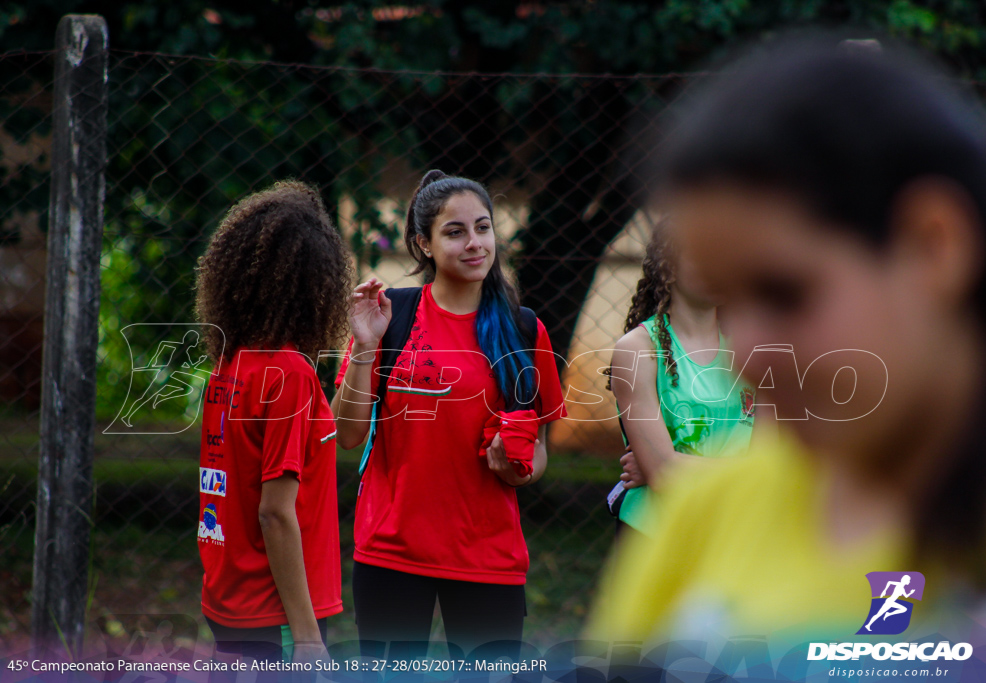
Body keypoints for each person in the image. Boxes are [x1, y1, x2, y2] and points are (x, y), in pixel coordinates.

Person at [588, 36, 986, 645]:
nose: (749, 352)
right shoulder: (706, 520)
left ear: (932, 247)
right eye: (729, 296)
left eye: (785, 294)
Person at [332, 170, 567, 661]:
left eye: (483, 228)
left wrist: (518, 469)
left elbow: (537, 452)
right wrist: (366, 344)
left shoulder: (524, 329)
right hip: (392, 551)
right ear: (424, 244)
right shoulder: (389, 315)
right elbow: (348, 434)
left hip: (488, 556)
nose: (474, 243)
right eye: (455, 232)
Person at [194, 180, 352, 667]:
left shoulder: (231, 365)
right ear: (315, 286)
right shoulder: (289, 373)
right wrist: (306, 635)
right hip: (276, 614)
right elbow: (275, 512)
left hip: (228, 600)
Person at [606, 222, 756, 534]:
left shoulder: (753, 350)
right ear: (669, 266)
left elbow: (778, 466)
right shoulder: (637, 349)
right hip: (659, 535)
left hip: (735, 533)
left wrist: (674, 464)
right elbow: (663, 476)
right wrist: (662, 467)